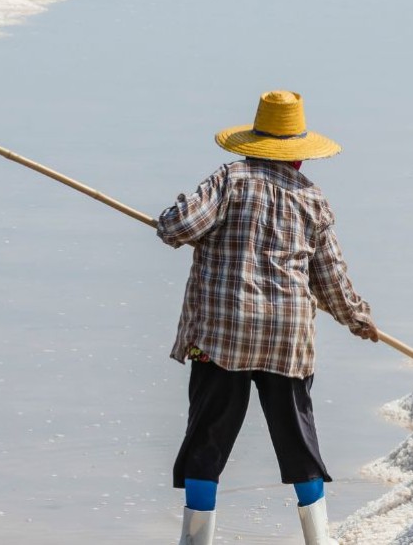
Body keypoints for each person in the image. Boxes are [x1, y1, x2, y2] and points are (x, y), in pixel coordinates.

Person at [157, 90, 379, 545]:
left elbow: (177, 228)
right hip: (287, 338)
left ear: (253, 141)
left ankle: (194, 542)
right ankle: (319, 541)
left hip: (222, 336)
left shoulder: (229, 180)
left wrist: (171, 218)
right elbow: (330, 279)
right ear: (299, 157)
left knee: (206, 443)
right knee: (300, 444)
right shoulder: (312, 200)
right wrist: (358, 318)